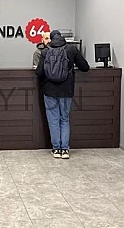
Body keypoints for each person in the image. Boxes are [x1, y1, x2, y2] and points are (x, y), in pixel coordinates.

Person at [36, 29, 90, 159]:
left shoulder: (45, 52)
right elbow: (85, 67)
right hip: (66, 90)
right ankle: (65, 150)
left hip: (49, 90)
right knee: (64, 119)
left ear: (51, 39)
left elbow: (39, 72)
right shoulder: (71, 50)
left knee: (53, 120)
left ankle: (56, 149)